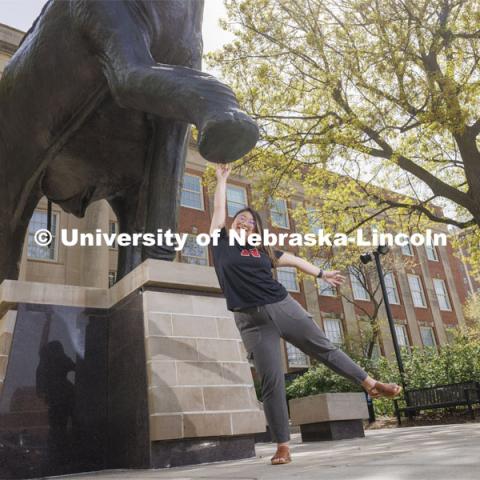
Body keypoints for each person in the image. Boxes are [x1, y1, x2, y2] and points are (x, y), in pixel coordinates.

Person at [209, 164, 402, 465]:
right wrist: (222, 179)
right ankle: (283, 445)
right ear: (231, 225)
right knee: (272, 381)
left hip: (283, 307)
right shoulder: (220, 242)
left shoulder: (263, 250)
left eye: (250, 221)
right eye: (240, 219)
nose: (244, 222)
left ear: (257, 230)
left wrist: (322, 273)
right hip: (251, 322)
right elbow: (219, 210)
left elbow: (296, 260)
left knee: (324, 348)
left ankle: (370, 384)